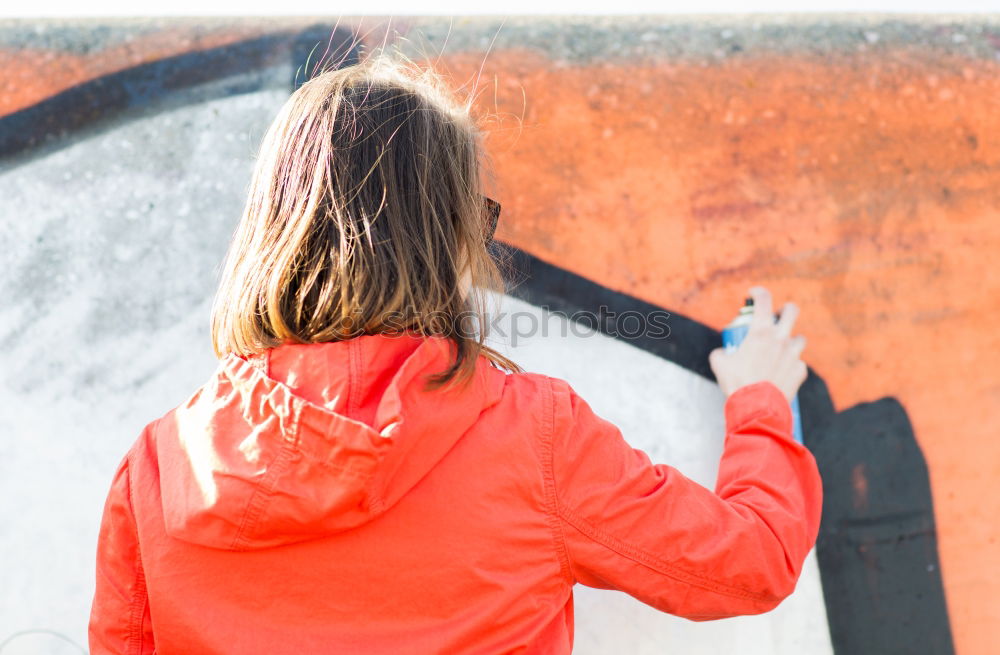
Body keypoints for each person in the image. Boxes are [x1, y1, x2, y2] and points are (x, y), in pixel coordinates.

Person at [88, 50, 822, 655]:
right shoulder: (531, 434)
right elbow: (749, 561)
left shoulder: (158, 467)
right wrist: (759, 399)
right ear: (445, 241)